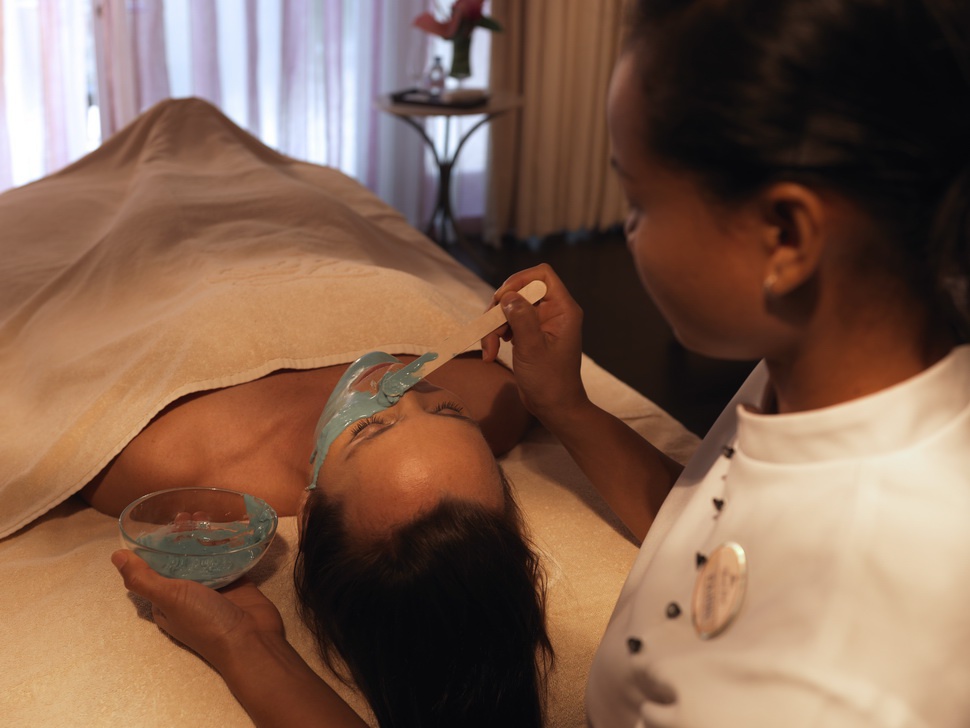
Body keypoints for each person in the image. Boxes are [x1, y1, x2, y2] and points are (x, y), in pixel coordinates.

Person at [482, 0, 970, 724]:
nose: (628, 231)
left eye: (639, 199)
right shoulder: (838, 351)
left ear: (785, 235)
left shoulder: (827, 674)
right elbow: (698, 527)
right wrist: (565, 405)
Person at [107, 349, 552, 728]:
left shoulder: (163, 457)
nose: (407, 392)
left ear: (308, 513)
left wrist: (240, 639)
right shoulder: (499, 399)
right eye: (450, 411)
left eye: (368, 428)